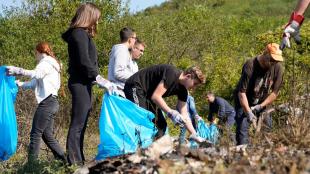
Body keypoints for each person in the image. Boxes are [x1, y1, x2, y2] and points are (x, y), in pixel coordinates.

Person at [62, 2, 112, 165]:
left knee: (82, 123)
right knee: (77, 124)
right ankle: (73, 162)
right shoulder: (78, 34)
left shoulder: (82, 35)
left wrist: (95, 78)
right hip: (79, 84)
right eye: (96, 19)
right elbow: (84, 60)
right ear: (89, 17)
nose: (97, 22)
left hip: (85, 84)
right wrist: (98, 77)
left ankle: (79, 159)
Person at [6, 42, 66, 162]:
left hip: (47, 103)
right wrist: (19, 84)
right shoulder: (50, 64)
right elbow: (34, 83)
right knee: (47, 135)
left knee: (35, 134)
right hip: (52, 102)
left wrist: (17, 70)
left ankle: (32, 166)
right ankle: (65, 161)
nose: (35, 56)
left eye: (35, 53)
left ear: (39, 52)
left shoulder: (46, 63)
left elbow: (35, 74)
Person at [124, 64, 206, 142]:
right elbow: (156, 97)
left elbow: (184, 114)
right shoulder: (172, 73)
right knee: (142, 117)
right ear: (188, 76)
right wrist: (171, 112)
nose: (194, 88)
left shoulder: (183, 91)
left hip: (148, 95)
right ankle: (135, 148)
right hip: (136, 86)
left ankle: (154, 150)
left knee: (161, 125)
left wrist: (194, 133)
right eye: (195, 84)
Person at [234, 43, 284, 145]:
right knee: (242, 130)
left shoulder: (278, 68)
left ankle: (264, 154)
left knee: (267, 128)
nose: (274, 63)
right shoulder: (250, 65)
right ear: (265, 54)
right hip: (244, 100)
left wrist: (260, 106)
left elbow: (274, 93)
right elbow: (241, 92)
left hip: (262, 102)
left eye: (276, 61)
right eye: (272, 60)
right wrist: (248, 112)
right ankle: (242, 155)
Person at [108, 27, 137, 96]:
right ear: (130, 39)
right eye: (135, 38)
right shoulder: (122, 50)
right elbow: (118, 72)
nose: (135, 41)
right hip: (118, 92)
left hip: (117, 91)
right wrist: (137, 76)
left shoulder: (121, 49)